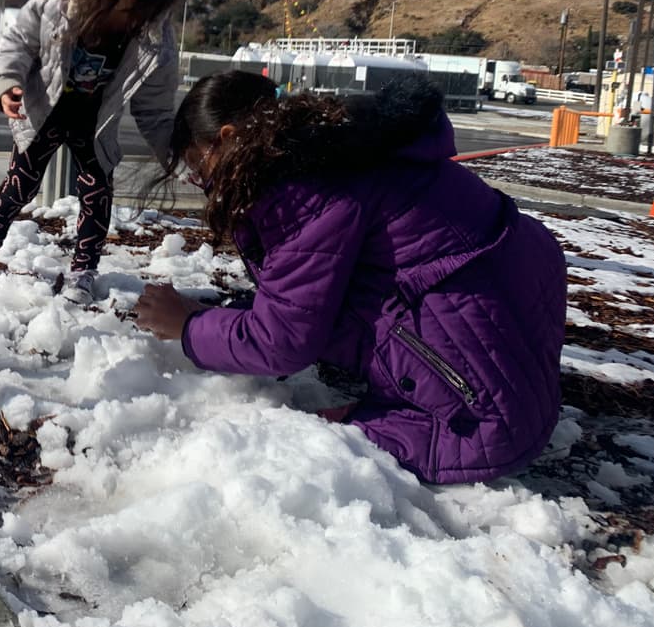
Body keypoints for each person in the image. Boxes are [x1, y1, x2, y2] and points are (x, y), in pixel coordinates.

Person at [132, 71, 566, 485]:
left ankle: (414, 407)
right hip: (507, 339)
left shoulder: (300, 186)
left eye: (197, 166)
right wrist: (214, 319)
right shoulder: (334, 146)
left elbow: (280, 341)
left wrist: (187, 329)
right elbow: (305, 296)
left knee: (303, 441)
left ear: (227, 139)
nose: (202, 181)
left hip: (485, 415)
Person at [0, 0, 186, 305]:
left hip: (94, 122)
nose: (136, 8)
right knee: (18, 186)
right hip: (45, 110)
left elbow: (156, 112)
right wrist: (8, 81)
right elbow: (17, 43)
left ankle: (83, 271)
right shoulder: (58, 0)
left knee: (97, 193)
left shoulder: (155, 36)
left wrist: (179, 158)